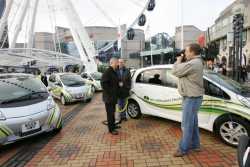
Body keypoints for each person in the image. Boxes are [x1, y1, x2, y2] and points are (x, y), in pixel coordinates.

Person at [172, 43, 204, 157]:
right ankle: (195, 145)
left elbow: (176, 71)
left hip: (192, 98)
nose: (184, 53)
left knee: (186, 125)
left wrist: (178, 60)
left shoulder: (194, 63)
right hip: (192, 97)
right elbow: (181, 72)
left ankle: (183, 148)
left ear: (192, 52)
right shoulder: (194, 62)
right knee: (193, 123)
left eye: (186, 51)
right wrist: (182, 61)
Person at [101, 57, 120, 135]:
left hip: (113, 97)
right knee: (110, 113)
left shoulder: (113, 71)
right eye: (117, 63)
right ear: (113, 63)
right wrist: (111, 92)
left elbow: (114, 82)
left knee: (113, 112)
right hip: (109, 98)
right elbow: (103, 83)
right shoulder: (107, 72)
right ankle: (111, 129)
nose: (118, 64)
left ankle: (113, 125)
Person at [117, 59, 131, 123]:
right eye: (120, 62)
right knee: (120, 105)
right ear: (118, 63)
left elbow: (129, 81)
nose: (121, 63)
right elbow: (113, 80)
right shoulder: (115, 70)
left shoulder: (127, 71)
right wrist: (118, 84)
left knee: (125, 104)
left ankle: (124, 116)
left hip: (125, 91)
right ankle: (120, 117)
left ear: (124, 63)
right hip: (118, 91)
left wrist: (128, 88)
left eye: (122, 62)